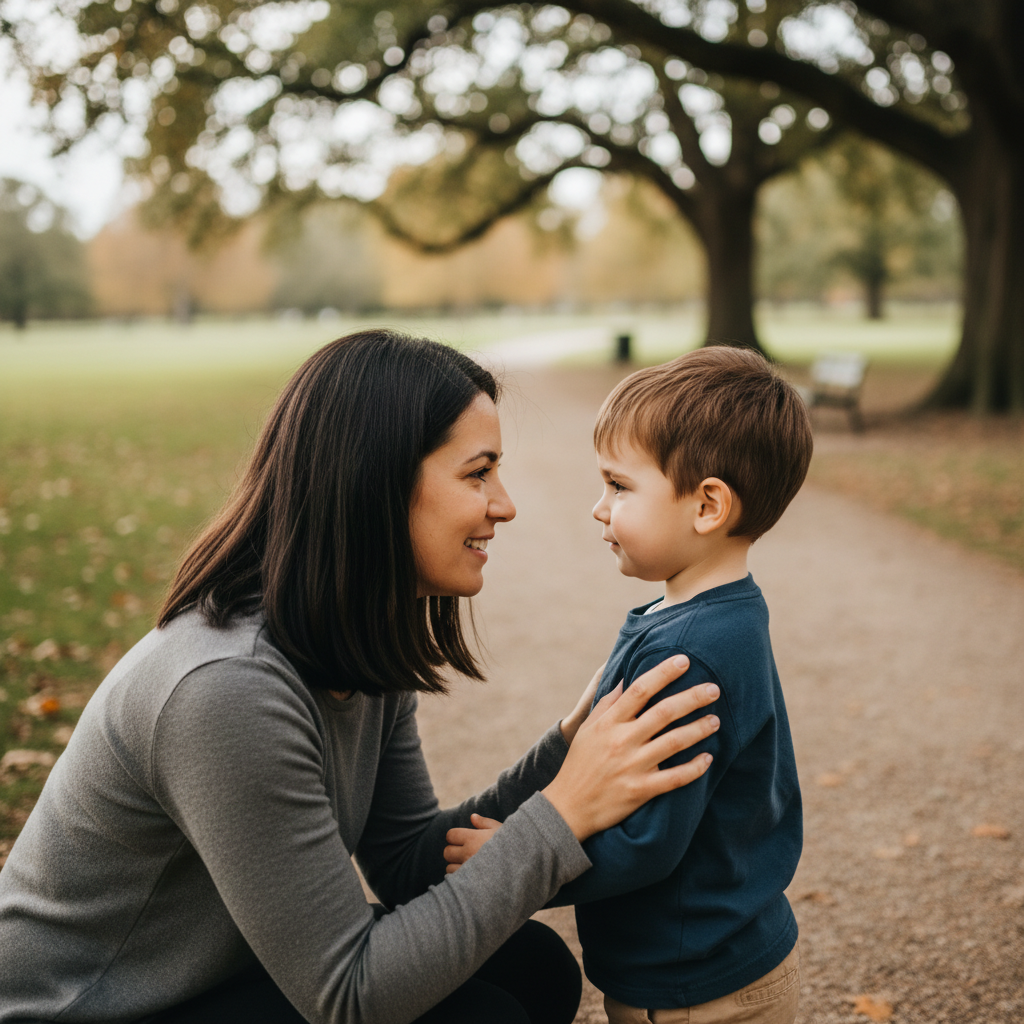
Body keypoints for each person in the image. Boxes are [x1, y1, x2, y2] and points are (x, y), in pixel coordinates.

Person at [0, 330, 722, 1024]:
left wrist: (569, 746)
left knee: (531, 967)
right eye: (478, 473)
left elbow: (410, 863)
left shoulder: (353, 639)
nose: (504, 504)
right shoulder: (226, 689)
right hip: (91, 1010)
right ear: (376, 482)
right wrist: (563, 813)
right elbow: (352, 997)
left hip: (219, 976)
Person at [445, 347, 813, 1024]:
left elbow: (648, 841)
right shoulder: (716, 613)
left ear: (707, 505)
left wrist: (514, 862)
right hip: (719, 961)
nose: (597, 508)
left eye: (618, 487)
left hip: (695, 991)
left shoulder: (686, 655)